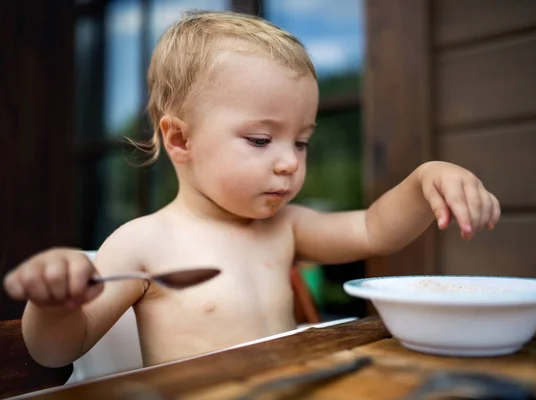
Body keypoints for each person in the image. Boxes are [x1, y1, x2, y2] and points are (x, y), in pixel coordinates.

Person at [3, 10, 500, 369]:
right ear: (180, 138)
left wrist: (424, 181)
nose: (289, 161)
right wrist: (54, 304)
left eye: (301, 141)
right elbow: (58, 351)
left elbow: (374, 230)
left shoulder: (285, 226)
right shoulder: (144, 243)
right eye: (261, 140)